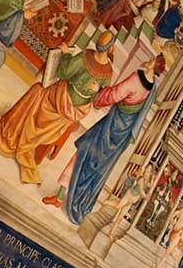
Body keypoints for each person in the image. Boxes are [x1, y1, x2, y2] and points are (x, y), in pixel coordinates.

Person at [46, 55, 166, 222]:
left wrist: (97, 93)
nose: (149, 60)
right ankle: (77, 203)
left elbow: (113, 95)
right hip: (121, 135)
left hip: (110, 129)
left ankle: (62, 198)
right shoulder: (152, 88)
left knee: (83, 155)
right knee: (97, 169)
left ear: (153, 66)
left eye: (152, 60)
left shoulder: (136, 79)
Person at [0, 31, 114, 184]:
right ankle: (28, 137)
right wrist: (95, 90)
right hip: (75, 112)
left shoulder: (86, 56)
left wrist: (65, 54)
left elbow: (63, 73)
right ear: (111, 48)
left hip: (59, 100)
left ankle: (15, 132)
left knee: (37, 92)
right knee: (40, 93)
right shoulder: (108, 73)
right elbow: (99, 100)